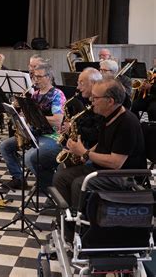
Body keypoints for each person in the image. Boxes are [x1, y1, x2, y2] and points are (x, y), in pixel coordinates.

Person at [52, 78, 146, 210]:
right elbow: (102, 143)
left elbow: (116, 163)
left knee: (79, 184)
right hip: (105, 169)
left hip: (125, 175)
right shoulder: (107, 115)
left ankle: (83, 224)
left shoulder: (127, 123)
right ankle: (67, 220)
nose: (91, 101)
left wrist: (85, 153)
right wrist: (81, 154)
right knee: (61, 176)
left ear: (110, 101)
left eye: (95, 98)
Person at [0, 63, 66, 190]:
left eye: (39, 77)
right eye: (34, 77)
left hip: (53, 136)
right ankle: (18, 179)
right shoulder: (34, 94)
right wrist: (17, 112)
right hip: (35, 132)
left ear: (49, 77)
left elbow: (58, 121)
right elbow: (28, 119)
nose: (36, 80)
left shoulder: (57, 94)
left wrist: (33, 117)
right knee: (5, 146)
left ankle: (49, 186)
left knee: (29, 157)